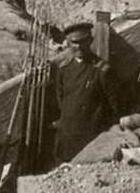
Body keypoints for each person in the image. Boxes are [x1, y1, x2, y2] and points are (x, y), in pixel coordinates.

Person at [52, 21, 123, 164]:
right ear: (68, 44)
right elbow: (61, 100)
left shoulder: (102, 70)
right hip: (68, 138)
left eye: (82, 41)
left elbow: (114, 106)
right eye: (74, 42)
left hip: (92, 138)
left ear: (90, 40)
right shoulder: (64, 70)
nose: (78, 46)